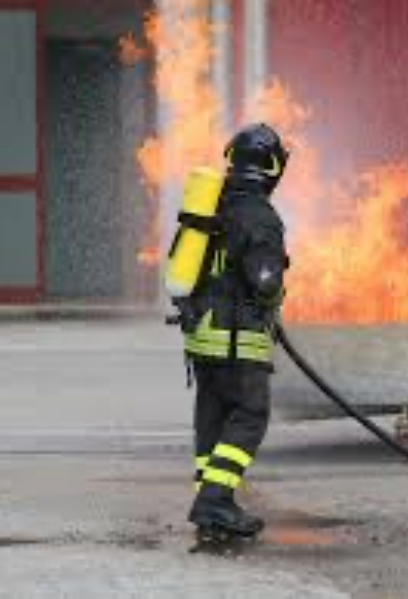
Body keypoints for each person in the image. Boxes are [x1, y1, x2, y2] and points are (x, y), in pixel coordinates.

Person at [169, 123, 289, 541]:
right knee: (250, 415)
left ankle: (209, 503)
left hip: (203, 338)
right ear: (271, 167)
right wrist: (274, 289)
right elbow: (265, 280)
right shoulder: (260, 217)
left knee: (213, 417)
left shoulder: (211, 206)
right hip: (238, 339)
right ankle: (215, 501)